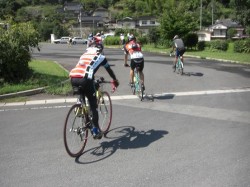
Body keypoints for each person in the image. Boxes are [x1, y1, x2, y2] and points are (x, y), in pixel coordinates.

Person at [69, 45, 119, 139]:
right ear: (100, 51)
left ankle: (80, 108)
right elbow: (109, 70)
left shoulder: (84, 55)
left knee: (82, 94)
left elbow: (86, 69)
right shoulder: (101, 57)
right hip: (85, 79)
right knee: (93, 105)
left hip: (73, 78)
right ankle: (95, 130)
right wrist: (115, 80)